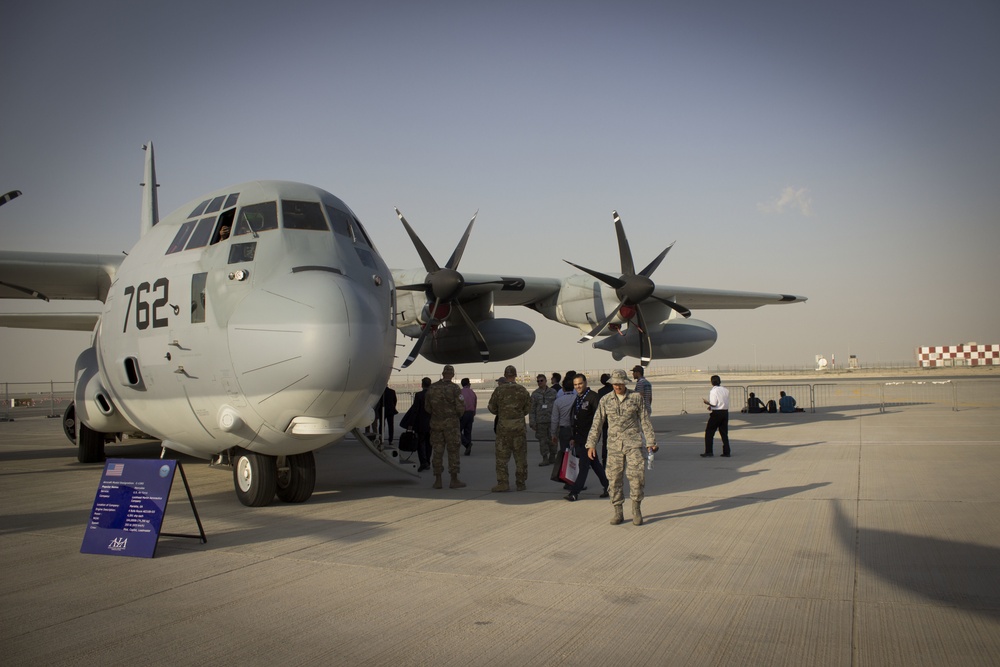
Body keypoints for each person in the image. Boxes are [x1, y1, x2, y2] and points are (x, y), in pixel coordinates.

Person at [585, 369, 657, 525]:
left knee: (636, 477)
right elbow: (597, 423)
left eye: (620, 383)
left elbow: (645, 420)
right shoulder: (605, 400)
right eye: (615, 383)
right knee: (614, 479)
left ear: (625, 383)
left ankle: (636, 509)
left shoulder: (636, 398)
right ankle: (618, 511)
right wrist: (591, 444)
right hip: (614, 446)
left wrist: (650, 441)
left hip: (634, 445)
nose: (617, 386)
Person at [487, 365, 532, 492]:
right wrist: (517, 415)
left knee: (502, 457)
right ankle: (521, 483)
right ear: (515, 375)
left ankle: (503, 483)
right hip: (518, 428)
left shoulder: (499, 390)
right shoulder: (522, 390)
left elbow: (492, 407)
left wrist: (502, 413)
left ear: (505, 375)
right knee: (520, 456)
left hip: (503, 428)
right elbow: (528, 408)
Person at [565, 374, 609, 502]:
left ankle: (574, 492)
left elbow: (600, 419)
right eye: (575, 385)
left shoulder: (593, 397)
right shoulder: (578, 398)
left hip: (590, 438)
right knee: (595, 464)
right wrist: (573, 436)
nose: (578, 386)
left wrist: (594, 440)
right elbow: (575, 418)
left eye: (580, 383)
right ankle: (608, 486)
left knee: (584, 465)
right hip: (580, 437)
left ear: (585, 383)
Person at [424, 365, 467, 489]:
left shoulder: (432, 388)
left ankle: (438, 480)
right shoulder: (455, 389)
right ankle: (454, 479)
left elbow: (427, 407)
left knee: (437, 452)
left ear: (442, 373)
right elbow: (460, 408)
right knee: (453, 451)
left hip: (436, 424)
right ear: (452, 375)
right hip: (451, 425)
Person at [400, 377, 432, 471]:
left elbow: (415, 410)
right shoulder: (434, 395)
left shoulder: (419, 395)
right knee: (429, 444)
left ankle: (423, 462)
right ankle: (428, 462)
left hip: (421, 424)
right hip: (431, 424)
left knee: (420, 443)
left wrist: (410, 424)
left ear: (422, 385)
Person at [549, 376, 576, 485]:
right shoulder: (577, 399)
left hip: (564, 431)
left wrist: (553, 434)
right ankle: (575, 480)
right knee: (575, 456)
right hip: (575, 430)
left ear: (563, 389)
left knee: (566, 455)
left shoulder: (558, 401)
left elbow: (554, 419)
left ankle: (567, 479)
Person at [529, 374, 558, 466]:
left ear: (546, 381)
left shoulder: (553, 392)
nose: (540, 383)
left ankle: (553, 456)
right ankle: (545, 458)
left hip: (551, 421)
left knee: (553, 439)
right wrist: (532, 422)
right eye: (538, 381)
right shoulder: (535, 394)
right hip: (540, 422)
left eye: (541, 380)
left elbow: (558, 406)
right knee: (542, 441)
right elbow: (532, 409)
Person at [702, 374, 731, 457]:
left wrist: (708, 403)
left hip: (717, 413)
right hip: (725, 412)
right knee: (724, 433)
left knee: (709, 432)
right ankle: (727, 451)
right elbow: (723, 402)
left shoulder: (713, 391)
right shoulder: (725, 390)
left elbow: (714, 404)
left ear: (712, 382)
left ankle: (709, 451)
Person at [597, 372, 613, 464]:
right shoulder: (613, 389)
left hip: (605, 419)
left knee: (605, 440)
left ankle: (604, 458)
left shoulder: (600, 391)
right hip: (613, 419)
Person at [459, 378, 477, 455]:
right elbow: (475, 403)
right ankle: (468, 449)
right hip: (471, 413)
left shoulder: (460, 392)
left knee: (457, 430)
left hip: (463, 413)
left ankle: (466, 444)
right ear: (468, 384)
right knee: (468, 431)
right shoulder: (472, 392)